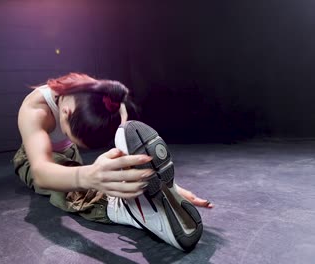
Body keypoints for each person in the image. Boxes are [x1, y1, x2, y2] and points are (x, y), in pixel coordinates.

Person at [13, 73, 213, 252]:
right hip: (35, 159)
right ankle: (119, 208)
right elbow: (41, 173)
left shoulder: (102, 95)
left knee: (102, 171)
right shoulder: (35, 110)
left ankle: (140, 194)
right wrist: (86, 176)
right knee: (72, 187)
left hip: (68, 153)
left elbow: (122, 121)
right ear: (65, 112)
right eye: (70, 135)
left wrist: (165, 185)